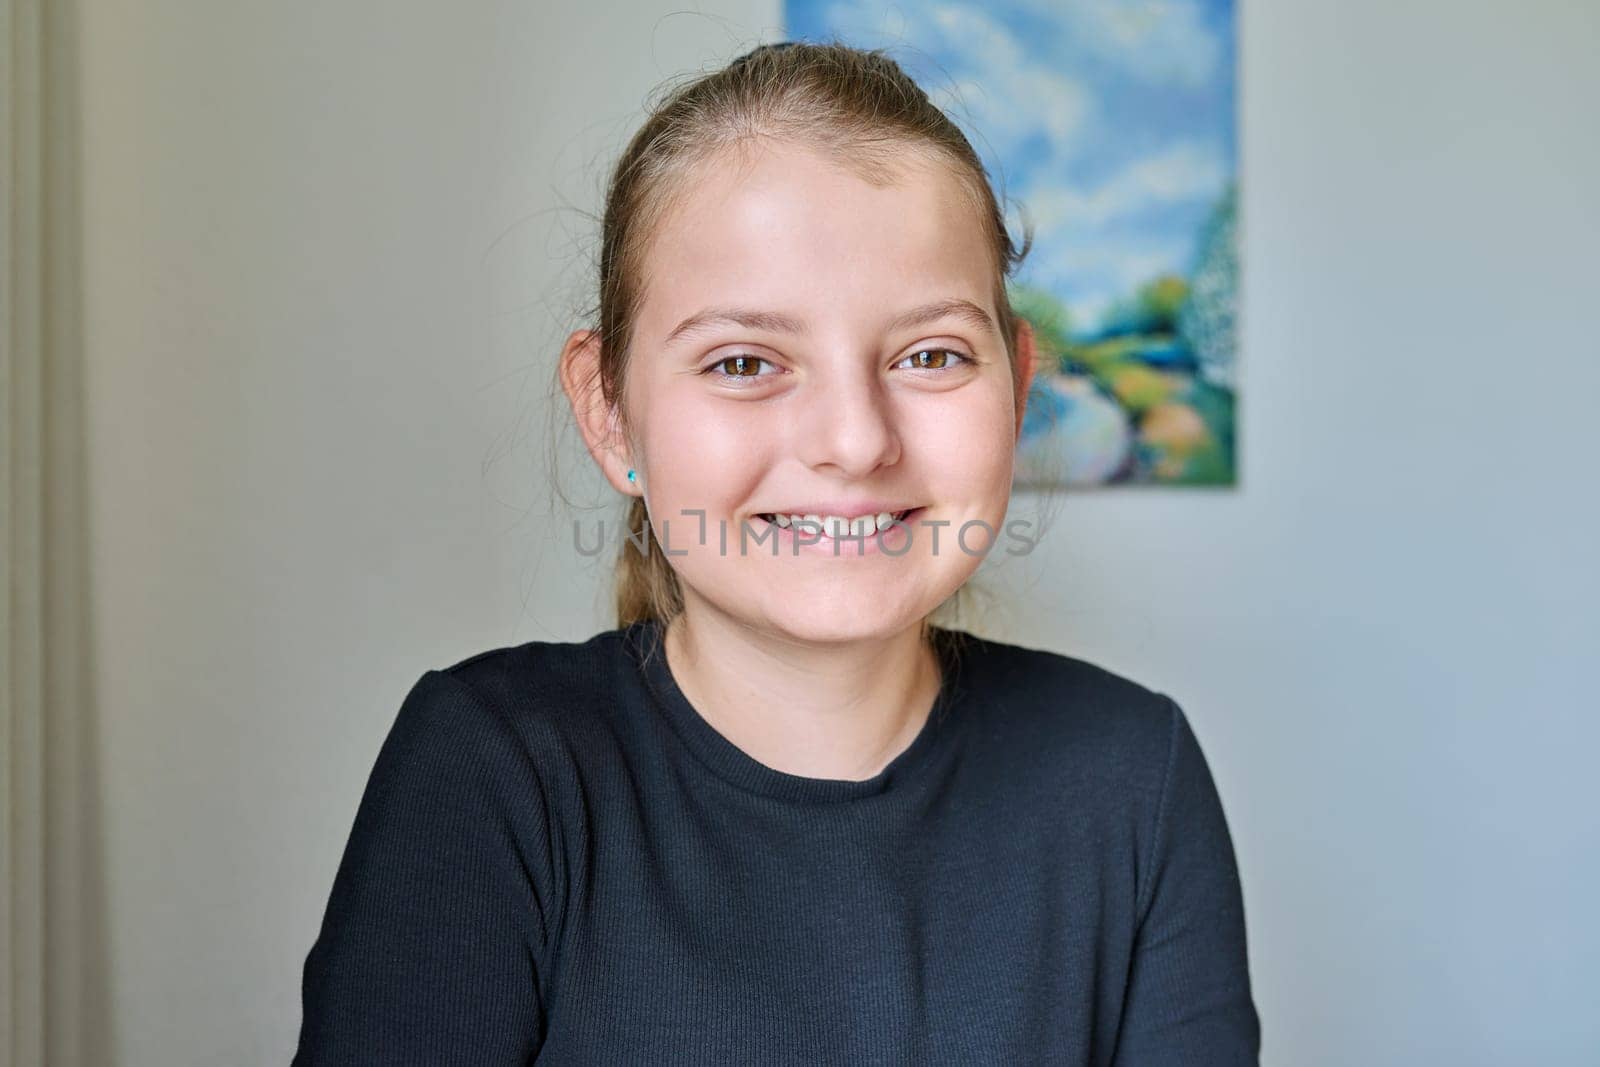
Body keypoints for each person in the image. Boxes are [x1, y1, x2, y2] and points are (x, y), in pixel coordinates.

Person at [292, 39, 1260, 1065]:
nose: (852, 439)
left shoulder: (1130, 774)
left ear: (1016, 389)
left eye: (930, 354)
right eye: (745, 361)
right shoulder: (492, 766)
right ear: (610, 412)